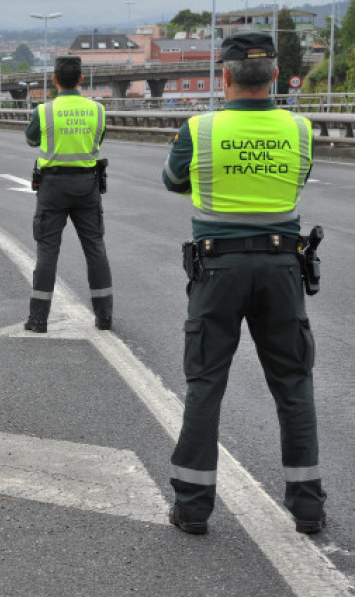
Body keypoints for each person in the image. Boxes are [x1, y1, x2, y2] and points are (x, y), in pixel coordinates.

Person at [162, 31, 326, 535]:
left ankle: (192, 509)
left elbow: (174, 181)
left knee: (205, 383)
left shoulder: (200, 127)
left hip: (217, 269)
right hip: (282, 269)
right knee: (293, 383)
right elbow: (297, 182)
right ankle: (307, 507)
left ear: (225, 76)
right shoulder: (300, 128)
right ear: (276, 75)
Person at [24, 55, 112, 333]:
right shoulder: (98, 110)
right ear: (82, 79)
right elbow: (98, 140)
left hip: (53, 187)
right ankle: (104, 317)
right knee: (95, 249)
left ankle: (38, 320)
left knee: (47, 251)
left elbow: (31, 139)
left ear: (54, 80)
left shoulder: (45, 111)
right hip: (87, 185)